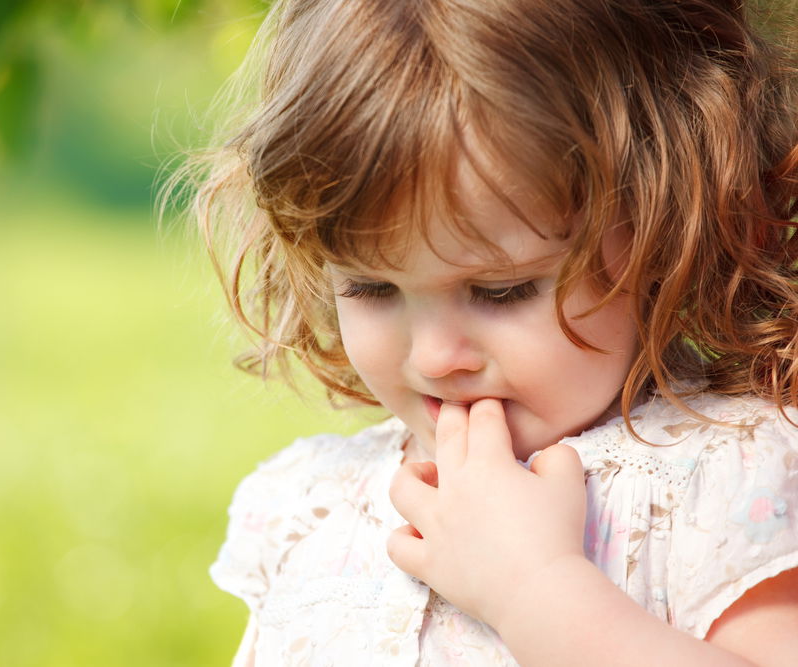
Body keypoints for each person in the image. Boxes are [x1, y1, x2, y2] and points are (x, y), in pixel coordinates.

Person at [184, 0, 798, 663]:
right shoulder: (314, 509)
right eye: (371, 288)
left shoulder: (729, 473)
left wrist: (537, 589)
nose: (434, 356)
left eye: (500, 291)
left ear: (667, 227)